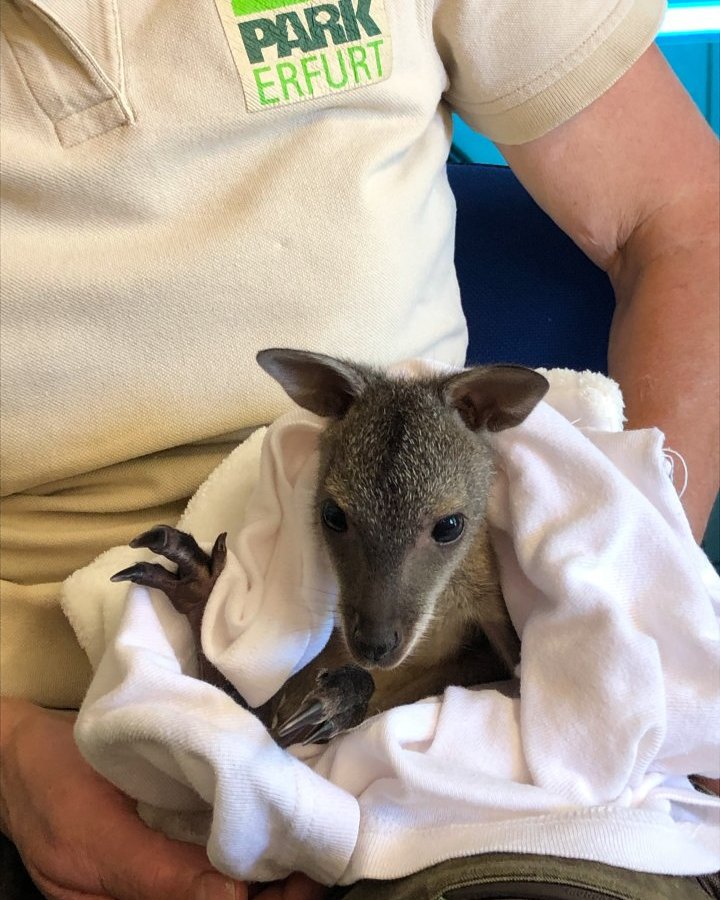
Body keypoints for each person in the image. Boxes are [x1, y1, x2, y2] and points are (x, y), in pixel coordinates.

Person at [1, 1, 718, 898]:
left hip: (452, 742)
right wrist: (10, 752)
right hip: (47, 705)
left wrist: (643, 605)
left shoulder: (478, 511)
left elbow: (682, 217)